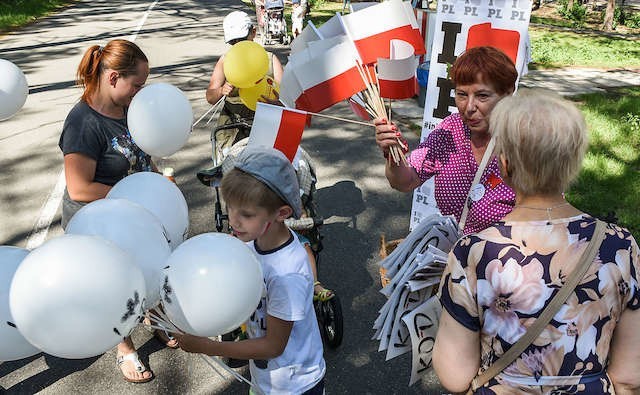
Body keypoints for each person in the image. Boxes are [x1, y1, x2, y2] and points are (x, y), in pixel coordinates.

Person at [432, 90, 640, 394]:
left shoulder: (473, 253)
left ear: (504, 164)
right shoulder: (619, 246)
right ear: (574, 163)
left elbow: (454, 374)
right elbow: (630, 376)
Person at [176, 147, 326, 394]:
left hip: (294, 386)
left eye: (246, 214)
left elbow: (273, 346)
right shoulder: (248, 242)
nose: (234, 220)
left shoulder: (287, 274)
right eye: (230, 208)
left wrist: (207, 346)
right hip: (265, 380)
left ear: (282, 213)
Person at [58, 39, 156, 383]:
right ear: (113, 78)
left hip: (131, 209)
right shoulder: (83, 122)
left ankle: (157, 320)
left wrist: (156, 183)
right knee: (114, 284)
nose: (139, 92)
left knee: (150, 265)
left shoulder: (129, 109)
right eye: (136, 85)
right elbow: (79, 188)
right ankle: (125, 347)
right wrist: (134, 192)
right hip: (95, 220)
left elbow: (142, 152)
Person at [375, 46, 518, 234]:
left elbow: (548, 214)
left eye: (482, 95)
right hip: (455, 252)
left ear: (507, 93)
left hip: (509, 256)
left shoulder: (525, 139)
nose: (469, 107)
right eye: (461, 95)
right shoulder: (450, 130)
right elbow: (404, 182)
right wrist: (393, 154)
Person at [205, 10, 284, 163]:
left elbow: (288, 98)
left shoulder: (269, 60)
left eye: (242, 40)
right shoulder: (226, 61)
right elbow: (210, 97)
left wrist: (277, 103)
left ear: (253, 33)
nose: (238, 45)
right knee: (229, 165)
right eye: (233, 42)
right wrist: (221, 90)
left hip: (265, 124)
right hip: (233, 126)